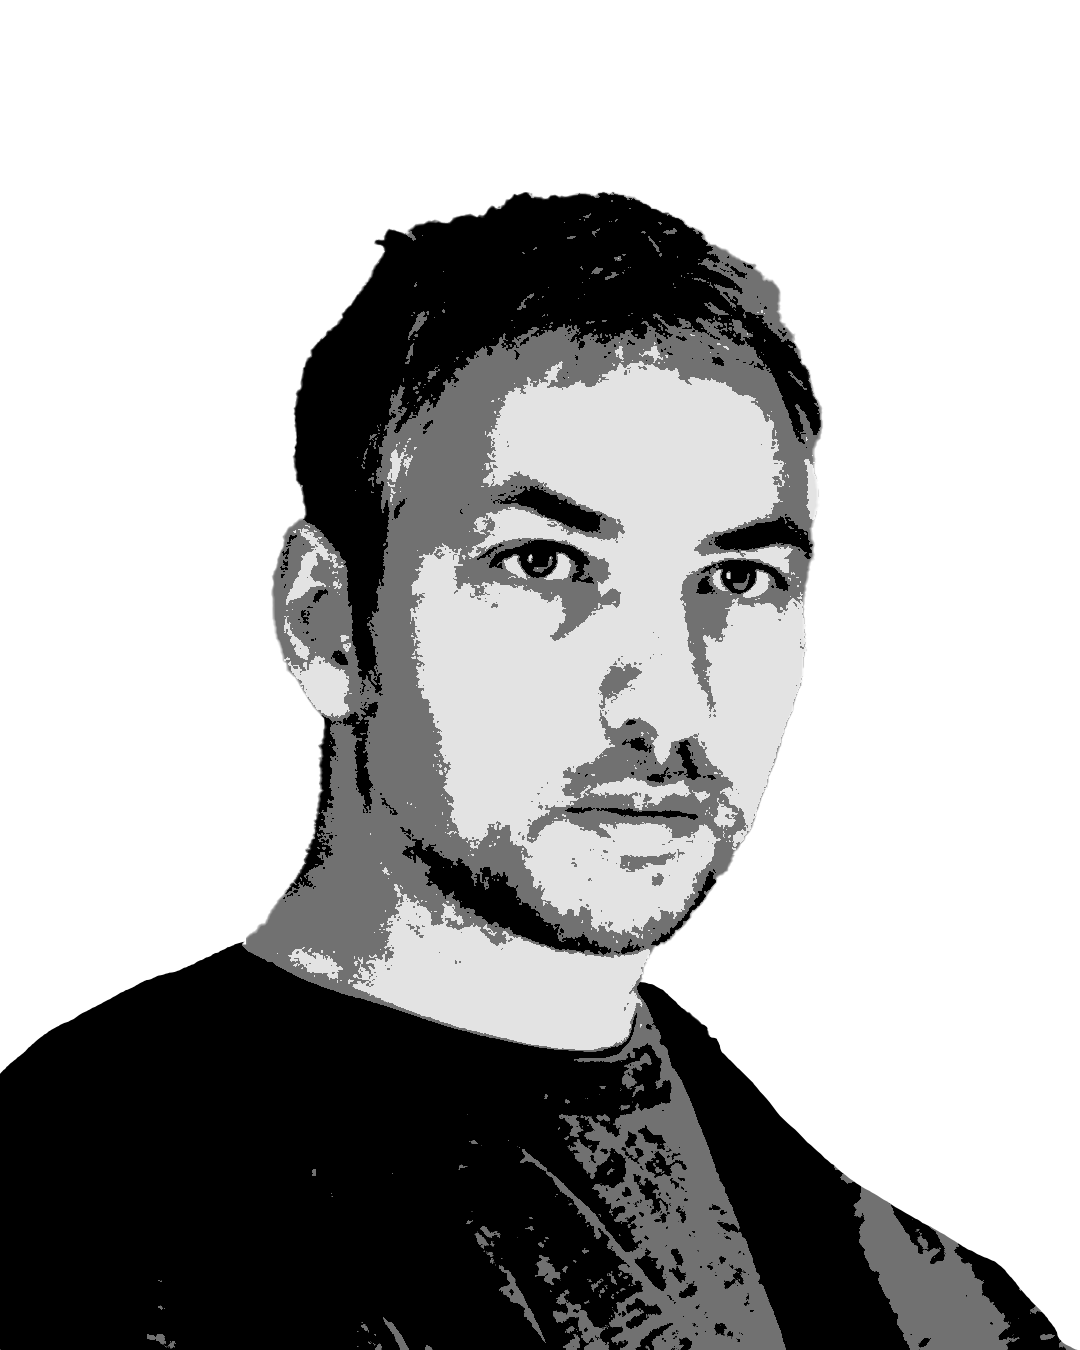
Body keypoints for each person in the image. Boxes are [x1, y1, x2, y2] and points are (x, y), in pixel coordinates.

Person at [2, 192, 1072, 1348]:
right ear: (328, 627)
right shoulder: (99, 1200)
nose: (668, 699)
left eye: (738, 581)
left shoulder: (913, 1209)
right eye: (546, 565)